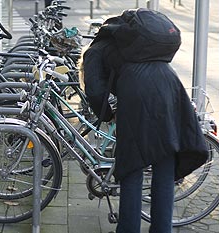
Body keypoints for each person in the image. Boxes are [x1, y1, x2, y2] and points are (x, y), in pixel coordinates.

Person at [81, 10, 209, 233]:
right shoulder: (131, 42)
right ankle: (162, 229)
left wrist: (107, 115)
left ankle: (128, 229)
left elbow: (94, 90)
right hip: (170, 86)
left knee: (132, 166)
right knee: (164, 163)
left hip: (137, 93)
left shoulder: (93, 52)